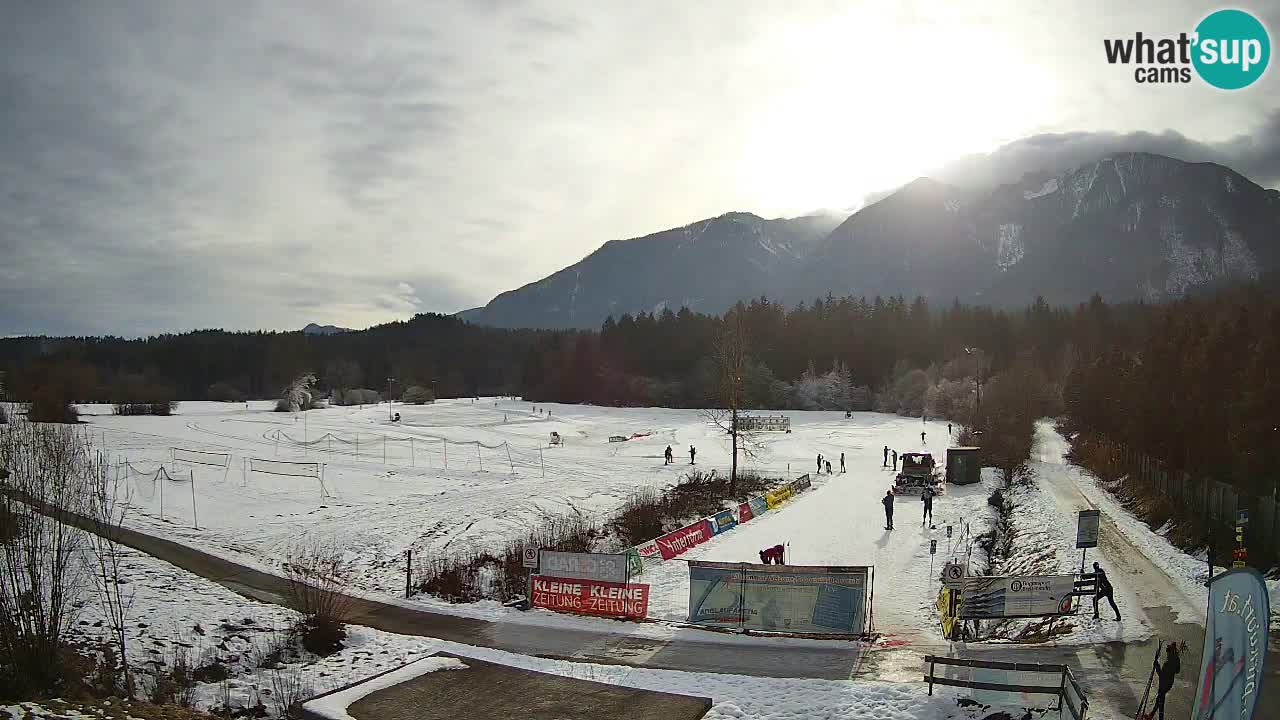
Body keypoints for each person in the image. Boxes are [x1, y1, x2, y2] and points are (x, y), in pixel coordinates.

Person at [1151, 641, 1181, 720]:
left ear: (1170, 653)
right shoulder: (1176, 660)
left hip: (1164, 685)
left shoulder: (1168, 663)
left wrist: (1157, 666)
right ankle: (1151, 715)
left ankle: (1159, 718)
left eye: (1168, 652)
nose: (1167, 654)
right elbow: (1177, 671)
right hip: (1169, 684)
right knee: (1159, 700)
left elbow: (1161, 675)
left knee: (1161, 702)